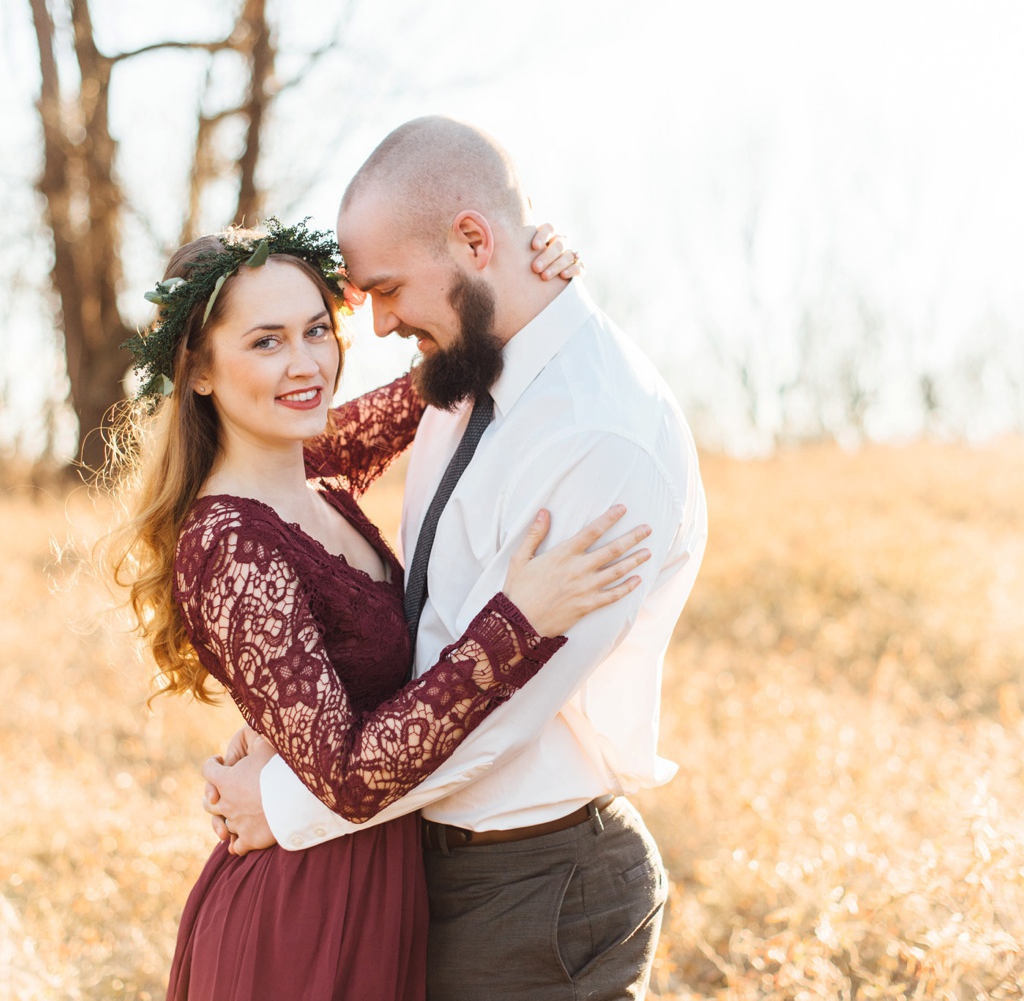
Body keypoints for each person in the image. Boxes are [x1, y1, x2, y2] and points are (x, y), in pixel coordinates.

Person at [204, 118, 708, 1000]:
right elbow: (263, 470)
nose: (381, 322)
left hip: (527, 881)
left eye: (389, 290)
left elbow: (505, 715)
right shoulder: (463, 368)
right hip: (402, 860)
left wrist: (283, 805)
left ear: (474, 239)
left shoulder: (598, 439)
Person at [103, 217, 654, 1001]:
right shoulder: (231, 543)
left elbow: (444, 372)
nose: (306, 366)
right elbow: (349, 775)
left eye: (317, 330)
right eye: (266, 342)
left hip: (379, 887)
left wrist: (528, 280)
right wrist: (513, 624)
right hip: (303, 914)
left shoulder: (310, 471)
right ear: (198, 370)